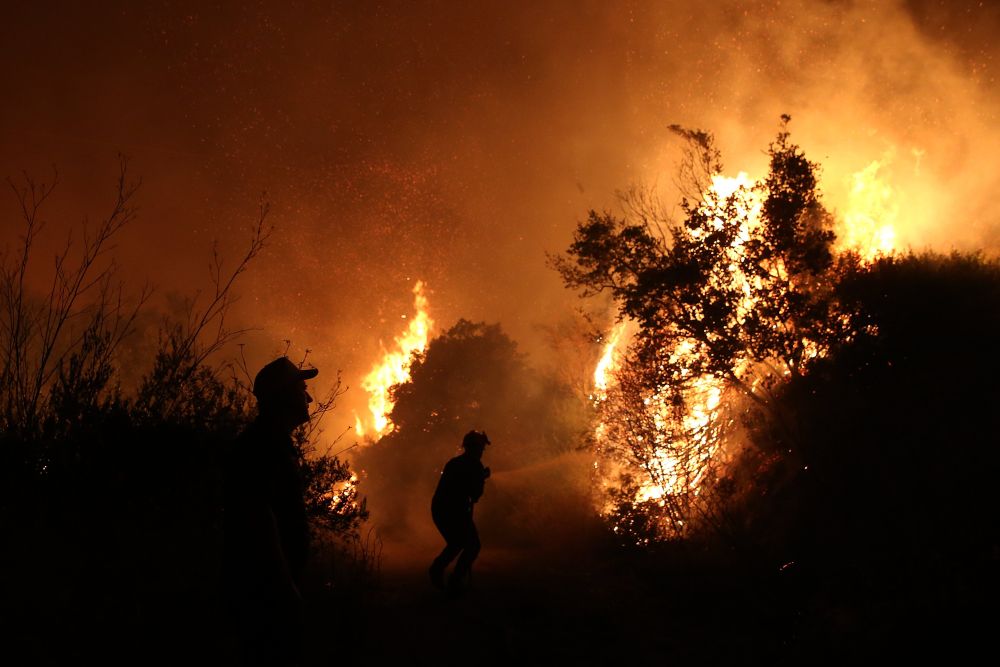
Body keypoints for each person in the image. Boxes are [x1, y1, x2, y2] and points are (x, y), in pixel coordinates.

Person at [223, 356, 317, 666]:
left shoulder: (271, 444)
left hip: (272, 588)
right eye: (301, 389)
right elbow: (260, 522)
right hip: (266, 593)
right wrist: (286, 588)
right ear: (283, 396)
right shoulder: (260, 449)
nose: (309, 397)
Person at [429, 430, 491, 596]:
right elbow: (475, 495)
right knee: (472, 545)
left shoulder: (454, 463)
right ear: (474, 448)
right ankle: (453, 581)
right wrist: (482, 478)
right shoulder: (474, 466)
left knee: (458, 543)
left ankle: (439, 571)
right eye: (481, 448)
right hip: (453, 510)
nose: (482, 451)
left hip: (441, 509)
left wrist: (479, 478)